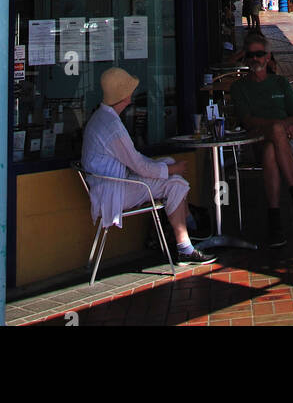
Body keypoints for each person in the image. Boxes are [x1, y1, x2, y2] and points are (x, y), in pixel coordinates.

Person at [81, 67, 209, 264]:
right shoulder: (112, 127)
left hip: (106, 185)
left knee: (169, 167)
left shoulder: (101, 117)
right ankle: (186, 244)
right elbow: (139, 165)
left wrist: (167, 166)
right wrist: (171, 170)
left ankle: (191, 228)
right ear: (124, 95)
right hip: (114, 192)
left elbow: (133, 160)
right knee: (175, 183)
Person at [230, 30, 293, 247]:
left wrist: (286, 125)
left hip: (283, 146)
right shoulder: (239, 87)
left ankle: (275, 223)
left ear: (268, 56)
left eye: (259, 54)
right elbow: (248, 121)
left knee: (272, 149)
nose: (255, 59)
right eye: (249, 55)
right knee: (275, 134)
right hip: (257, 141)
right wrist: (279, 125)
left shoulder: (279, 83)